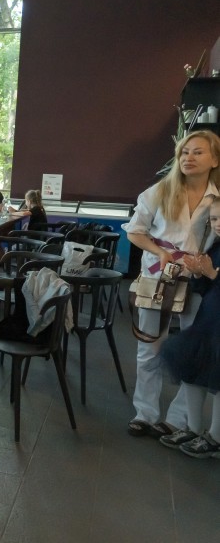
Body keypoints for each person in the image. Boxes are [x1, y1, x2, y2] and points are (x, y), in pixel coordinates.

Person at [123, 130, 220, 440]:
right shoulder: (160, 191)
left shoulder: (217, 197)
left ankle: (179, 418)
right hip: (159, 277)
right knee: (149, 346)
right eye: (184, 152)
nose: (189, 157)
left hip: (198, 281)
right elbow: (135, 232)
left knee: (192, 349)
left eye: (198, 152)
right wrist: (160, 251)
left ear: (214, 159)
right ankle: (145, 413)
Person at [158, 197, 220, 458]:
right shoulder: (215, 247)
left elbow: (214, 279)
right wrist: (197, 274)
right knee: (191, 369)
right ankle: (193, 428)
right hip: (209, 320)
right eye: (214, 218)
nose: (218, 223)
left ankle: (216, 437)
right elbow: (206, 289)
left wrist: (212, 274)